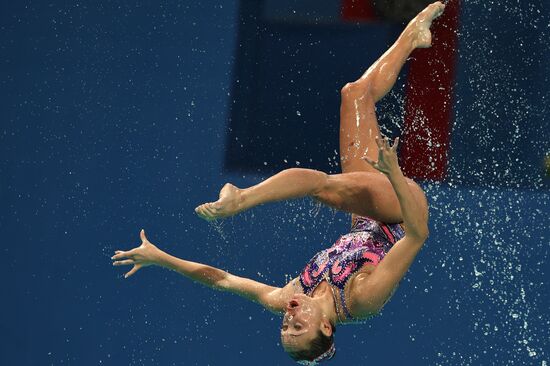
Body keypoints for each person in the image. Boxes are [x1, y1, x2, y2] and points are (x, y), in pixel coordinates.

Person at [112, 2, 444, 363]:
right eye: (298, 328)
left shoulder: (289, 294)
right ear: (326, 328)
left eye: (285, 329)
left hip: (365, 211)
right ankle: (241, 199)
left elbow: (222, 280)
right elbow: (418, 233)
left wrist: (161, 258)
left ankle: (412, 36)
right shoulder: (361, 299)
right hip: (400, 212)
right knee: (322, 188)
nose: (289, 319)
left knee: (354, 95)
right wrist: (394, 176)